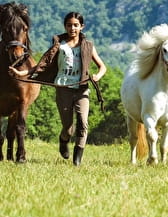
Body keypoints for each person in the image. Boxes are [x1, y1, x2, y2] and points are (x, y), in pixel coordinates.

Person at [9, 12, 106, 166]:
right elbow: (41, 65)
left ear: (82, 27)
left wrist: (97, 76)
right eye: (69, 25)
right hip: (63, 88)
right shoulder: (58, 46)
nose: (72, 28)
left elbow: (102, 67)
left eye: (76, 25)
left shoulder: (88, 46)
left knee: (83, 123)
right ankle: (64, 140)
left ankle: (77, 159)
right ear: (65, 27)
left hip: (82, 89)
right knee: (68, 127)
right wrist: (22, 72)